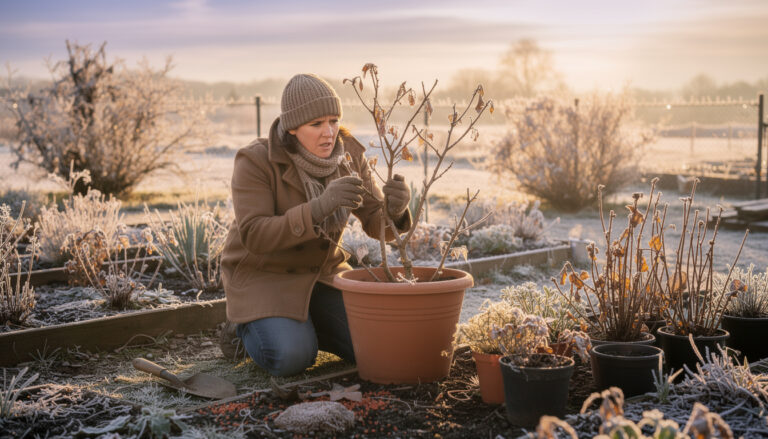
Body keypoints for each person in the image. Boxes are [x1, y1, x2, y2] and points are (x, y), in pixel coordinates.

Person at [219, 73, 412, 376]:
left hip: (323, 275)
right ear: (292, 127)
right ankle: (244, 329)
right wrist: (319, 208)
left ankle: (305, 325)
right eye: (316, 124)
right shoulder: (255, 161)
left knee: (380, 343)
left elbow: (377, 222)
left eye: (334, 121)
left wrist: (396, 210)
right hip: (266, 276)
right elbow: (255, 235)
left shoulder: (349, 155)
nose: (329, 132)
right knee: (292, 358)